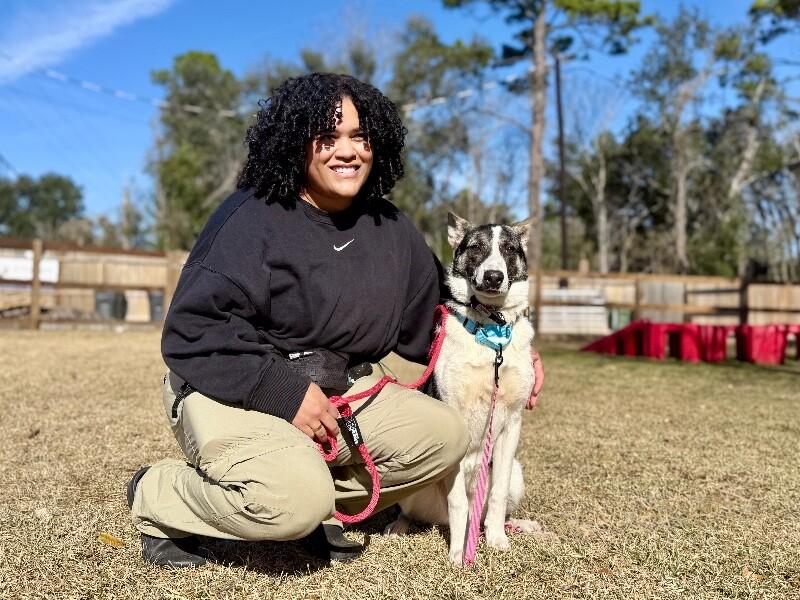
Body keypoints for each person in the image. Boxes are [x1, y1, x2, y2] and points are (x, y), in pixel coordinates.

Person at [126, 72, 471, 568]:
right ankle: (158, 494)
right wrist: (282, 392)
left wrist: (507, 346)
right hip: (232, 384)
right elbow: (190, 333)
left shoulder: (391, 230)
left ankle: (318, 505)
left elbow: (439, 319)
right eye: (327, 138)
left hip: (339, 389)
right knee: (291, 503)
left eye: (360, 137)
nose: (346, 151)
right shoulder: (250, 218)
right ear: (295, 144)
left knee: (445, 436)